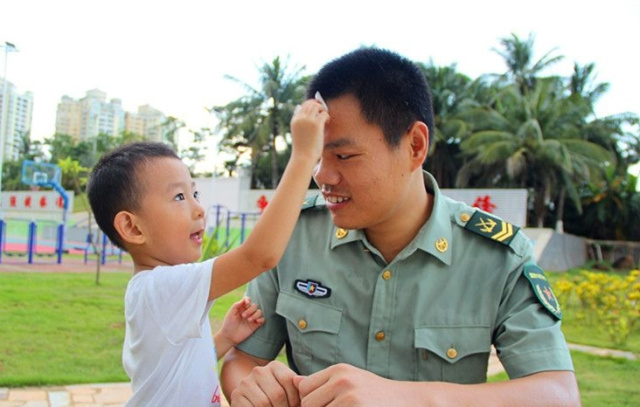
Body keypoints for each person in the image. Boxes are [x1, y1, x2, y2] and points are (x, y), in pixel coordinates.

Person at [220, 47, 581, 406]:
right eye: (316, 156)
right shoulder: (294, 237)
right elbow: (243, 359)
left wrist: (406, 398)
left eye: (344, 156)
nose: (322, 176)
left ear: (415, 145)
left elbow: (558, 395)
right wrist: (251, 387)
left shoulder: (496, 256)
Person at [86, 97, 327, 407]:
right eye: (178, 197)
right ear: (133, 228)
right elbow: (259, 255)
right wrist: (304, 155)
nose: (199, 208)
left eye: (194, 193)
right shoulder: (161, 288)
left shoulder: (158, 291)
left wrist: (224, 338)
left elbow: (177, 371)